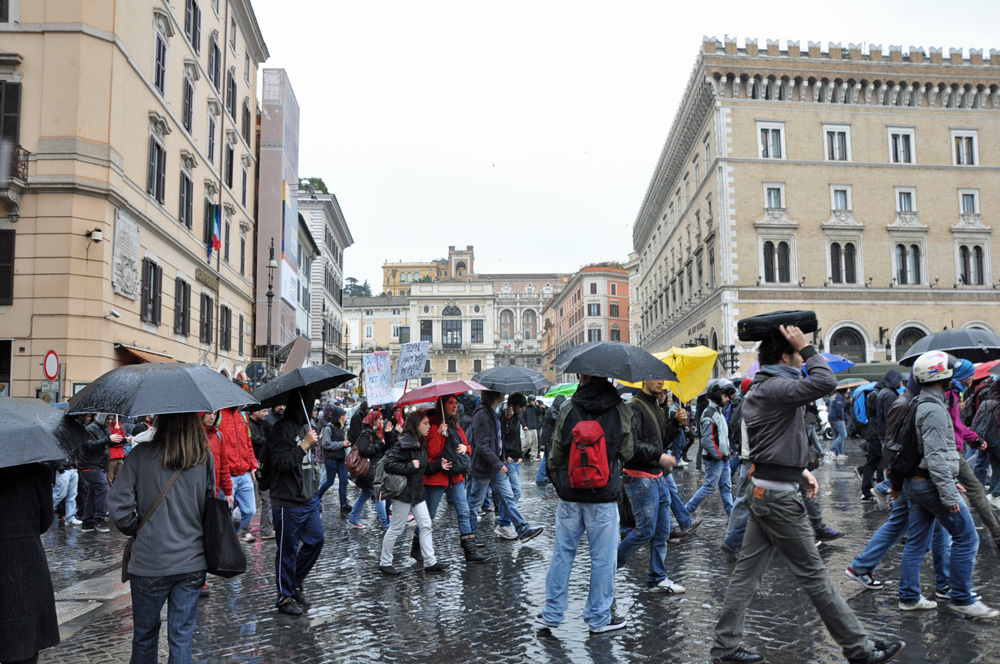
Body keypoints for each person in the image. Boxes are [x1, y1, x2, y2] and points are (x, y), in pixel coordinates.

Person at [710, 324, 904, 664]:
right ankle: (859, 650)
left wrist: (798, 470)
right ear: (786, 355)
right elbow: (826, 382)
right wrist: (808, 348)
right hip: (778, 500)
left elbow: (769, 441)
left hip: (765, 490)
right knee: (814, 577)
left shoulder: (765, 387)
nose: (803, 359)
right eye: (798, 354)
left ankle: (725, 646)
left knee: (746, 574)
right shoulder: (776, 387)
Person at [898, 351, 999, 618]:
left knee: (917, 543)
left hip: (918, 483)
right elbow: (935, 455)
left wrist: (951, 480)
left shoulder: (922, 403)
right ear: (941, 376)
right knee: (967, 538)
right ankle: (962, 598)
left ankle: (908, 596)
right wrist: (949, 493)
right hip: (930, 484)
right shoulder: (934, 409)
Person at [108, 412, 212, 664]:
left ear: (162, 421)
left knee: (144, 637)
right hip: (192, 562)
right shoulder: (203, 456)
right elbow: (211, 505)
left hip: (150, 562)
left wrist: (137, 529)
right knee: (182, 637)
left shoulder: (141, 455)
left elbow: (118, 507)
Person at [535, 374, 634, 634]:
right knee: (603, 559)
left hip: (571, 495)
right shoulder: (621, 408)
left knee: (562, 553)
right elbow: (627, 452)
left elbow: (555, 454)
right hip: (603, 495)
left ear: (583, 376)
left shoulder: (569, 407)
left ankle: (552, 613)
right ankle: (599, 618)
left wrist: (562, 486)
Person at [617, 378, 685, 594]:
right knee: (645, 531)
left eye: (662, 379)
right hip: (640, 478)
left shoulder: (656, 406)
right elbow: (632, 446)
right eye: (655, 378)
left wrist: (676, 423)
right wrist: (659, 456)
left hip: (657, 477)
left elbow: (661, 440)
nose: (660, 382)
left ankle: (657, 578)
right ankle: (608, 569)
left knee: (662, 531)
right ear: (644, 379)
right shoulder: (634, 407)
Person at [268, 391, 323, 616]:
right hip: (287, 500)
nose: (312, 410)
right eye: (310, 405)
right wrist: (305, 445)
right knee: (288, 550)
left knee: (316, 540)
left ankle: (294, 582)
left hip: (308, 498)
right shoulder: (281, 429)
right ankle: (285, 596)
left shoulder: (306, 427)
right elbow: (280, 462)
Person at [0, 463, 60, 664]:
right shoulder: (35, 470)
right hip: (25, 559)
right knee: (26, 641)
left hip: (23, 559)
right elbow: (45, 519)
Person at [467, 390, 544, 543]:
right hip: (485, 467)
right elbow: (482, 445)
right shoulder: (482, 414)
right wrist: (498, 462)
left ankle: (522, 529)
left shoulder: (492, 413)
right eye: (502, 393)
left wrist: (500, 460)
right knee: (475, 502)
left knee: (509, 497)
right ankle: (468, 535)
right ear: (495, 395)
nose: (504, 394)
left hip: (496, 466)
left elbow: (499, 441)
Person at [418, 395, 488, 564]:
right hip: (437, 478)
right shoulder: (433, 426)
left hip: (455, 477)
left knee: (464, 512)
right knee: (429, 516)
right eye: (451, 403)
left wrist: (467, 447)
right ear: (442, 405)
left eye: (456, 403)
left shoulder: (456, 427)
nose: (454, 406)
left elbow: (467, 446)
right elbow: (432, 453)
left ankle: (470, 552)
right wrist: (440, 434)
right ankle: (416, 548)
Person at [378, 410, 448, 575]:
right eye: (425, 423)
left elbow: (422, 468)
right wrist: (410, 466)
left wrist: (439, 466)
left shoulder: (420, 443)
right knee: (396, 528)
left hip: (417, 493)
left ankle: (430, 562)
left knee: (426, 525)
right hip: (403, 494)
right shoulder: (404, 443)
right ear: (416, 425)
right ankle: (385, 562)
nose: (429, 426)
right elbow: (389, 464)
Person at [685, 381, 734, 517]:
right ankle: (688, 509)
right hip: (715, 459)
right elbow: (706, 440)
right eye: (725, 396)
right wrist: (718, 455)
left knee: (726, 488)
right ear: (717, 395)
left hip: (722, 458)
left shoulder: (718, 412)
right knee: (710, 486)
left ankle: (732, 516)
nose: (727, 399)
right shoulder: (710, 413)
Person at [861, 370, 904, 502]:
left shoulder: (880, 393)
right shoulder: (887, 395)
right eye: (900, 380)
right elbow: (890, 417)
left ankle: (873, 490)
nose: (901, 383)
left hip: (877, 433)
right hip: (881, 434)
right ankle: (877, 490)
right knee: (886, 463)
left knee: (877, 462)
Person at [216, 407, 258, 542]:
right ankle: (227, 542)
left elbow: (248, 442)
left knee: (250, 510)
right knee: (226, 513)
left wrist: (253, 464)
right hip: (227, 474)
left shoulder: (243, 414)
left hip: (244, 471)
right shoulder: (218, 415)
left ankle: (229, 538)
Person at [347, 410, 390, 529]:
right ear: (373, 420)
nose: (381, 421)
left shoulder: (377, 433)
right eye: (379, 419)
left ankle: (353, 517)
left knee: (364, 495)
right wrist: (379, 445)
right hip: (370, 471)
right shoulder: (366, 433)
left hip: (375, 470)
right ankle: (386, 523)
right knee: (380, 497)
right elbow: (363, 451)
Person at [496, 392, 528, 540]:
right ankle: (504, 522)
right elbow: (502, 438)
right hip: (508, 461)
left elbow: (516, 439)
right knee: (514, 491)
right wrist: (507, 419)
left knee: (508, 494)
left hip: (515, 460)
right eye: (521, 407)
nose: (523, 410)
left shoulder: (516, 418)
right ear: (513, 406)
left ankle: (504, 523)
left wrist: (520, 455)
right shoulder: (503, 418)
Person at [79, 413, 116, 533]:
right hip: (89, 465)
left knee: (93, 492)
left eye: (111, 419)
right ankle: (99, 518)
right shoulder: (90, 429)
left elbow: (109, 443)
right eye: (108, 418)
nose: (110, 421)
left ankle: (87, 521)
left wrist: (125, 439)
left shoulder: (104, 429)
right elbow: (90, 445)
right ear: (102, 418)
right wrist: (108, 439)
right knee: (103, 487)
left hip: (97, 466)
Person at [317, 405, 352, 514]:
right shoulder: (329, 427)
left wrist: (345, 445)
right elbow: (326, 444)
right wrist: (342, 444)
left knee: (343, 481)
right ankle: (316, 499)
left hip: (341, 458)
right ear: (338, 416)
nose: (344, 417)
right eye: (343, 415)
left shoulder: (341, 427)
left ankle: (344, 504)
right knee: (329, 481)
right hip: (331, 459)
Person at [248, 408, 275, 539]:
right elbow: (256, 440)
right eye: (264, 411)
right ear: (255, 411)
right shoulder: (248, 424)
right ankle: (245, 531)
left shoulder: (264, 423)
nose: (267, 414)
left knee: (267, 498)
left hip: (263, 465)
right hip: (251, 466)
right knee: (250, 502)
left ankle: (266, 529)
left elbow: (273, 432)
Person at [536, 395, 566, 485]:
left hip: (548, 437)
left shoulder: (552, 408)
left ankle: (543, 476)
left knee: (547, 456)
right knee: (546, 457)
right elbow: (556, 419)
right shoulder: (553, 410)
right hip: (548, 438)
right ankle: (540, 478)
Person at [52, 454, 81, 526]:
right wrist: (60, 468)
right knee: (60, 494)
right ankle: (44, 512)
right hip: (64, 470)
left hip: (70, 469)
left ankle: (70, 517)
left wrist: (75, 466)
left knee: (72, 494)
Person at [521, 395, 541, 460]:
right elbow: (522, 417)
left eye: (534, 400)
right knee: (528, 441)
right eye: (532, 400)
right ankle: (520, 453)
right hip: (527, 427)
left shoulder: (535, 407)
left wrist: (538, 406)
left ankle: (533, 456)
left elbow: (539, 413)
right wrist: (524, 425)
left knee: (535, 442)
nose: (533, 402)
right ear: (529, 401)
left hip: (534, 427)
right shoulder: (525, 408)